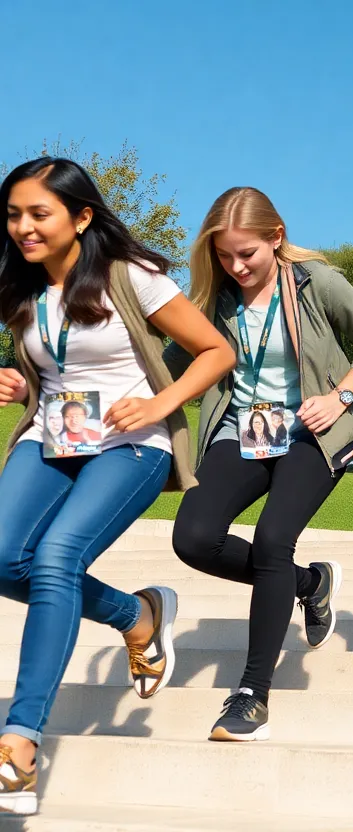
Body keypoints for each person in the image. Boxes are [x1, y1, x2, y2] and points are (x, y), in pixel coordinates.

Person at [0, 158, 233, 814]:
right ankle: (138, 615)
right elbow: (47, 369)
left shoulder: (131, 276)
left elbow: (216, 351)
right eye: (14, 214)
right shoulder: (18, 289)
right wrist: (15, 383)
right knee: (2, 557)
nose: (23, 226)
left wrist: (161, 406)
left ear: (81, 217)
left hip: (130, 446)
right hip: (52, 440)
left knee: (55, 560)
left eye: (38, 213)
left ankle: (19, 741)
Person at [167, 186, 353, 741]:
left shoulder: (318, 283)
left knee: (270, 544)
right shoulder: (212, 299)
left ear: (276, 238)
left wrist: (341, 395)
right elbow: (164, 364)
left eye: (247, 254)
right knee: (192, 537)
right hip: (242, 431)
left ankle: (251, 695)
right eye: (224, 255)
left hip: (314, 432)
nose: (236, 266)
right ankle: (311, 584)